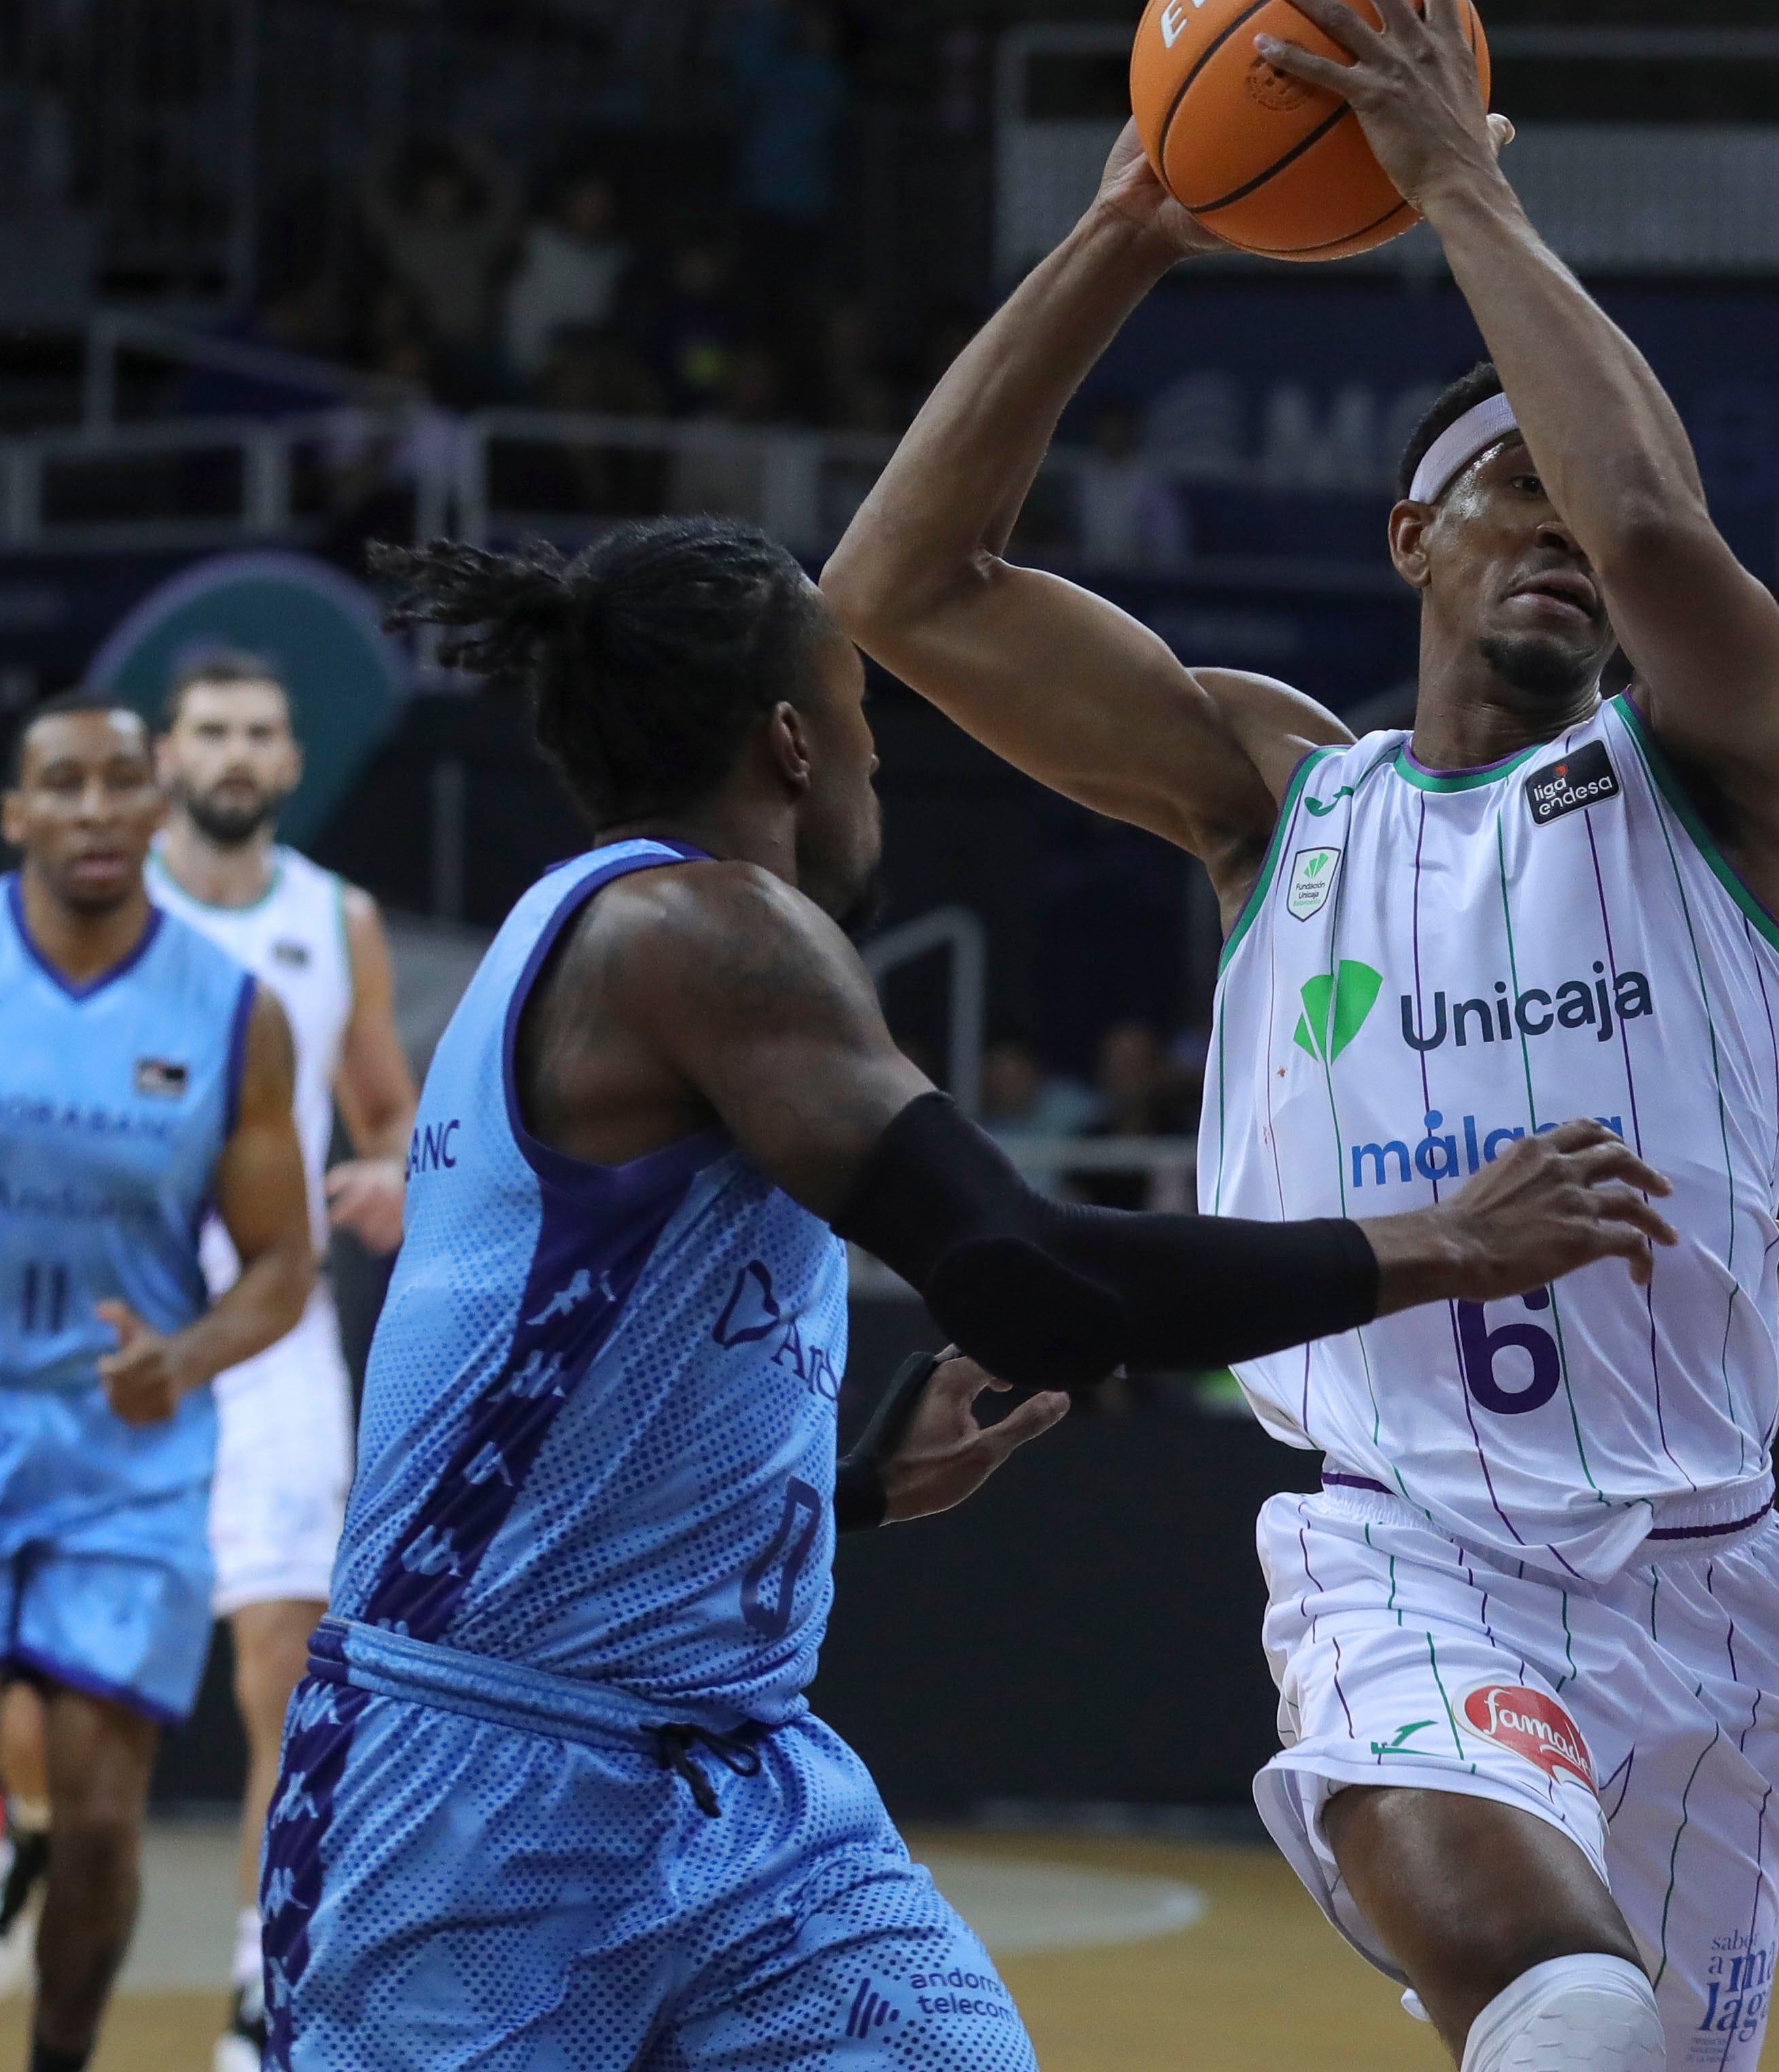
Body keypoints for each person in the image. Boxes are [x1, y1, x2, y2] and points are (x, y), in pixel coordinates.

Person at [261, 516, 1674, 2071]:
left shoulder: (625, 934)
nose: (879, 776)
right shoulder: (701, 933)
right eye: (869, 728)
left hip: (743, 1783)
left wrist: (848, 1486)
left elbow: (598, 1390)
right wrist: (1449, 1245)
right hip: (478, 1783)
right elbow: (1032, 1275)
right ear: (797, 745)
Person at [823, 0, 1779, 2069]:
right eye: (1505, 491)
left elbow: (1656, 516)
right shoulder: (1277, 796)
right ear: (1412, 537)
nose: (1560, 524)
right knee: (1554, 2006)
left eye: (1573, 493)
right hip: (1405, 1555)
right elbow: (896, 598)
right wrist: (1123, 235)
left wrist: (1459, 182)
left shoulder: (1721, 775)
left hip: (1706, 1582)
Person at [0, 692, 313, 2072]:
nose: (92, 808)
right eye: (60, 784)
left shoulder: (234, 1015)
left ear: (156, 802)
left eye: (119, 782)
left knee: (105, 1811)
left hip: (128, 1445)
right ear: (18, 812)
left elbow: (281, 1265)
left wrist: (180, 1360)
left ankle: (62, 2056)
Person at [134, 649, 418, 2071]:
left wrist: (384, 1175)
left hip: (278, 1333)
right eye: (212, 732)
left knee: (288, 1677)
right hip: (98, 1337)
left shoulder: (336, 920)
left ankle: (263, 1989)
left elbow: (388, 1115)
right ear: (165, 755)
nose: (236, 755)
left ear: (292, 763)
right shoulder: (90, 913)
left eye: (260, 731)